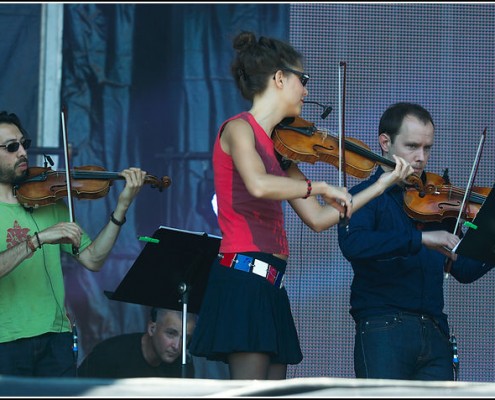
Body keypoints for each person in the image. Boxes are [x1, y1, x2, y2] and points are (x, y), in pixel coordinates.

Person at [188, 31, 413, 380]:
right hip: (243, 276)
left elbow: (320, 218)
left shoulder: (281, 149)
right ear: (279, 78)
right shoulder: (238, 129)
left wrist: (380, 185)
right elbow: (258, 184)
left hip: (271, 284)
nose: (307, 91)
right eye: (302, 80)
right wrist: (319, 185)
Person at [337, 102, 495, 381]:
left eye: (427, 148)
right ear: (385, 142)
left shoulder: (437, 203)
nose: (421, 158)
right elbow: (355, 244)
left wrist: (489, 242)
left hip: (435, 331)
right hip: (383, 328)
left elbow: (465, 270)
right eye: (412, 146)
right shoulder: (364, 196)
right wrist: (420, 238)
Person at [0, 110, 147, 377]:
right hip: (5, 341)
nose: (22, 152)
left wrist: (122, 207)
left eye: (24, 144)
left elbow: (93, 259)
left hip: (56, 338)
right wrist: (38, 239)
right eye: (11, 147)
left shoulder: (47, 200)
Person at [77, 307, 197, 378]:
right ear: (152, 329)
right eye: (171, 333)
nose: (177, 346)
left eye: (185, 338)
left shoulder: (183, 366)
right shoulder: (110, 354)